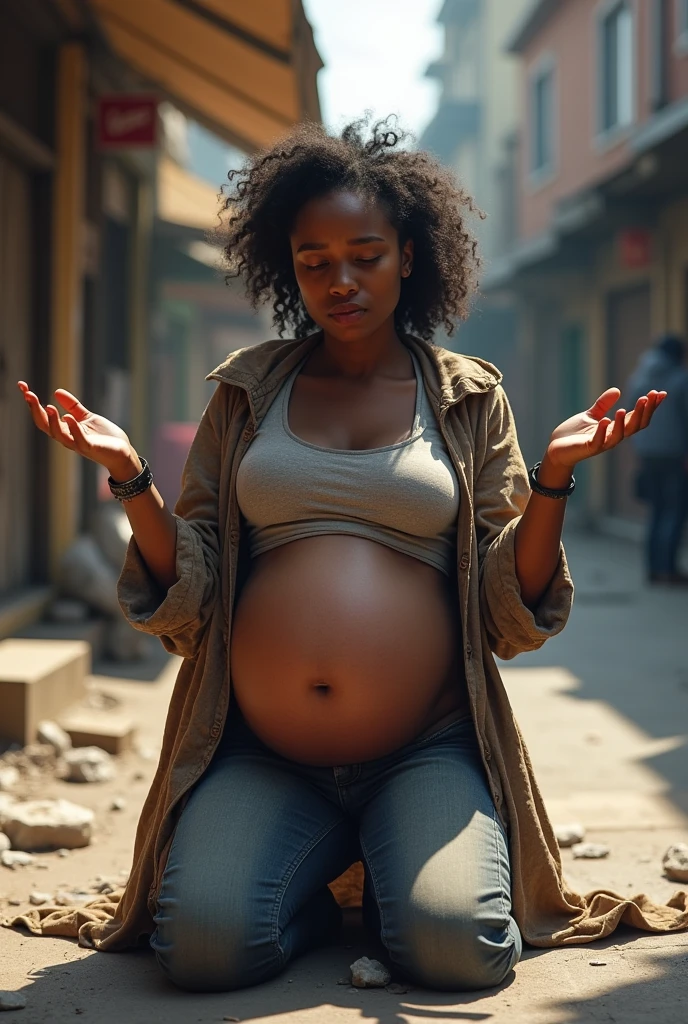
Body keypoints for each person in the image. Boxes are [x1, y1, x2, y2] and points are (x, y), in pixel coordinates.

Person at [18, 119, 683, 993]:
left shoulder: (469, 398)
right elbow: (194, 585)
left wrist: (554, 479)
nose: (340, 280)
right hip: (260, 749)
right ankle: (336, 873)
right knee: (203, 950)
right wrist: (131, 476)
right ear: (285, 267)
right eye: (314, 261)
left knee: (460, 949)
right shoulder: (248, 392)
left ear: (409, 256)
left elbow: (507, 612)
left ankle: (397, 871)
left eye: (364, 255)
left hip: (425, 747)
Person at [626, 334, 688, 585]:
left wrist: (640, 447)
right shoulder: (681, 379)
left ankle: (653, 569)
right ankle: (668, 569)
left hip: (647, 454)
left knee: (656, 511)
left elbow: (631, 415)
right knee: (674, 512)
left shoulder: (639, 377)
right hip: (675, 455)